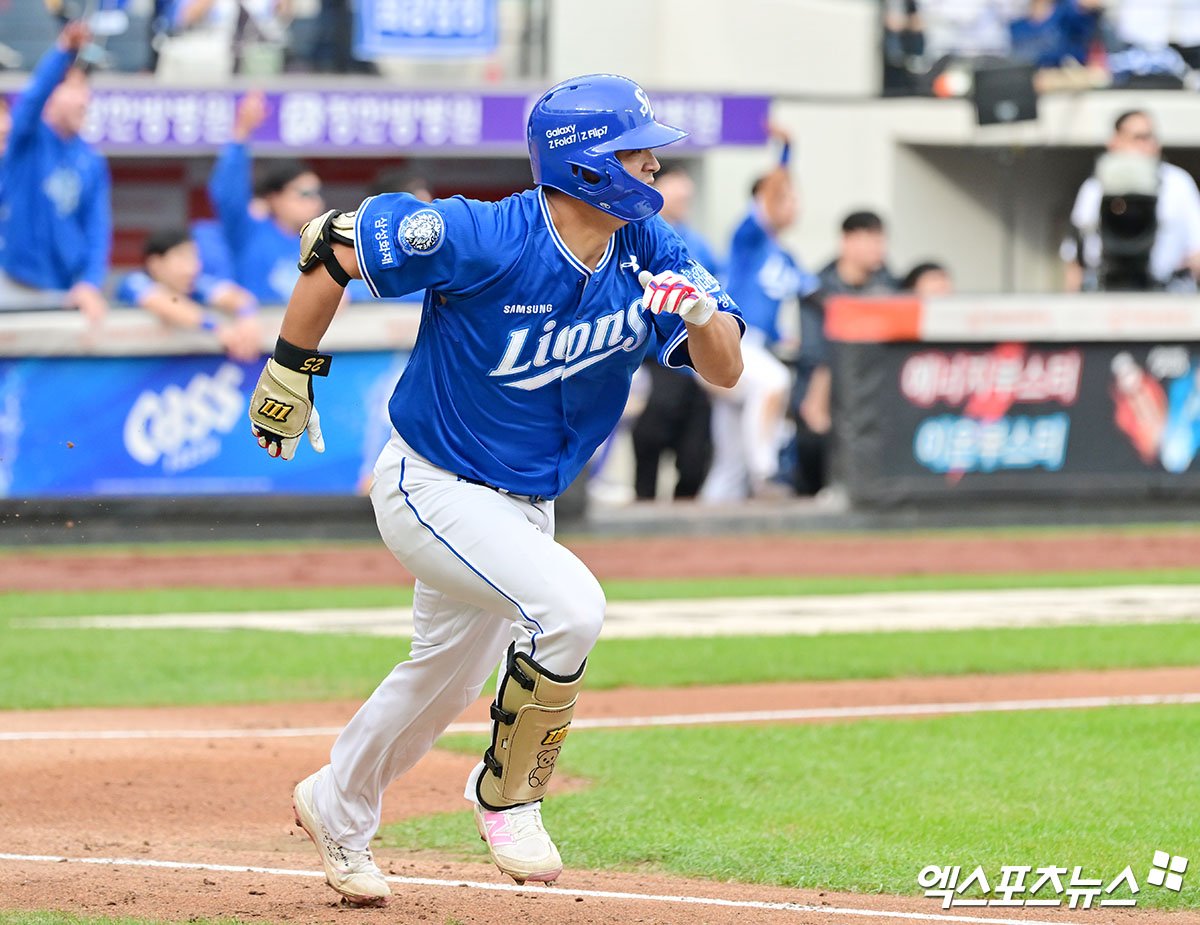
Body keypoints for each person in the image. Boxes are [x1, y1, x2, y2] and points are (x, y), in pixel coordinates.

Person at [245, 74, 744, 905]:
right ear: (587, 164)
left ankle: (336, 801)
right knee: (571, 608)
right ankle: (508, 794)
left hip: (522, 503)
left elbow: (725, 369)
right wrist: (291, 368)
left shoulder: (648, 246)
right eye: (636, 151)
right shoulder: (483, 233)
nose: (654, 166)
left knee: (439, 681)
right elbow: (333, 245)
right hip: (431, 483)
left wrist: (699, 314)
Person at [702, 128, 810, 503]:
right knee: (774, 382)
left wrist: (786, 338)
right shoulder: (749, 238)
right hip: (727, 344)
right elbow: (769, 194)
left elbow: (803, 301)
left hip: (754, 348)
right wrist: (786, 152)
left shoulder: (787, 256)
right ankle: (766, 473)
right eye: (785, 197)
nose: (791, 204)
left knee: (730, 462)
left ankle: (710, 519)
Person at [0, 22, 110, 319]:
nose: (85, 99)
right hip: (10, 285)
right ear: (52, 95)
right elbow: (32, 99)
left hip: (62, 292)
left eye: (86, 89)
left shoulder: (91, 159)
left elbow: (97, 228)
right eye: (74, 88)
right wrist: (63, 52)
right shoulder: (28, 140)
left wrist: (91, 283)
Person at [630, 164, 719, 501]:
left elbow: (717, 296)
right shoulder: (635, 235)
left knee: (696, 449)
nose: (684, 200)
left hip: (692, 358)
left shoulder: (697, 243)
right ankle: (644, 500)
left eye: (687, 196)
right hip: (651, 355)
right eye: (677, 192)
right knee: (651, 433)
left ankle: (685, 506)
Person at [794, 211, 898, 496]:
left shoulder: (889, 286)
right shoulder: (817, 289)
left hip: (875, 393)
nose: (878, 249)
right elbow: (815, 352)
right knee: (812, 444)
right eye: (870, 239)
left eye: (881, 240)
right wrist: (817, 402)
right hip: (828, 392)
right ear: (847, 240)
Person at [208, 90, 326, 304]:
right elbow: (228, 194)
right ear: (274, 198)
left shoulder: (324, 243)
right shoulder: (250, 232)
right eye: (304, 194)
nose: (315, 201)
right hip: (256, 324)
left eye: (317, 193)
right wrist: (241, 133)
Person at [1065, 110, 1200, 293]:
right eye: (1138, 137)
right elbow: (1075, 258)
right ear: (1114, 142)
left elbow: (1196, 251)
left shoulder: (1178, 183)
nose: (1147, 144)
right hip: (1107, 292)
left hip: (1166, 294)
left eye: (1150, 137)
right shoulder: (1094, 188)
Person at [116, 227, 261, 360]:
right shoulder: (135, 281)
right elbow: (168, 303)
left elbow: (236, 296)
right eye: (182, 259)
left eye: (194, 258)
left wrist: (247, 318)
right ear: (156, 264)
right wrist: (217, 328)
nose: (192, 268)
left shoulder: (196, 284)